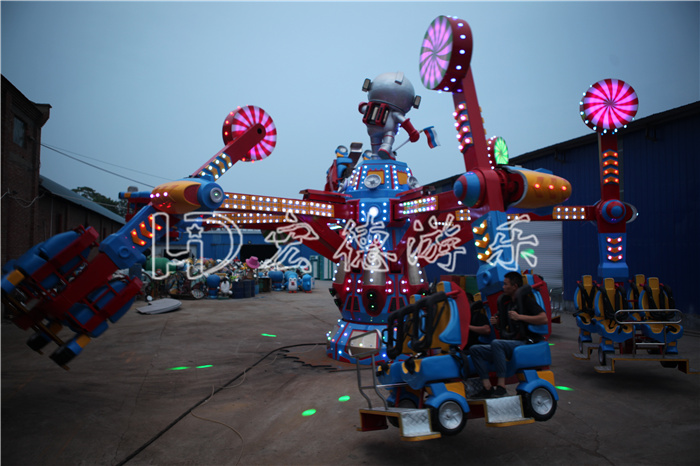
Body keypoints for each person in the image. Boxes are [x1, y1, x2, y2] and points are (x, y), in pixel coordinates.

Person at [469, 272, 548, 398]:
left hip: (526, 342)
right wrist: (497, 323)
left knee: (497, 344)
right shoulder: (509, 304)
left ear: (515, 286)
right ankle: (487, 387)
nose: (503, 287)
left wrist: (520, 317)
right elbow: (505, 326)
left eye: (506, 284)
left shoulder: (526, 301)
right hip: (512, 342)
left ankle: (501, 387)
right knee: (475, 350)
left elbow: (544, 319)